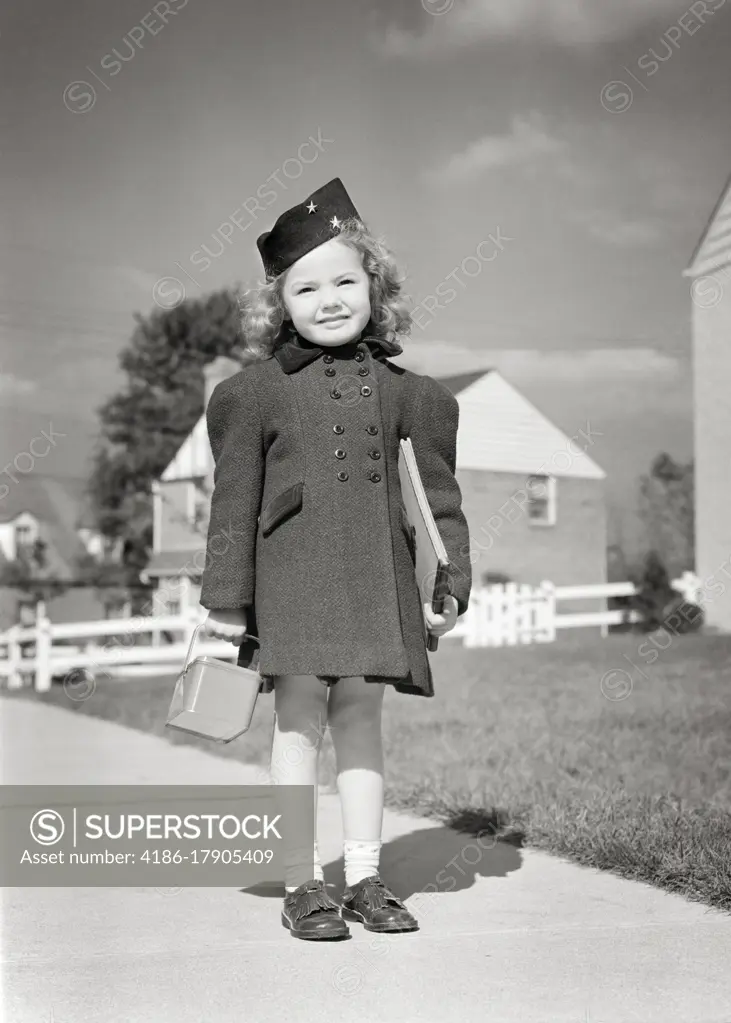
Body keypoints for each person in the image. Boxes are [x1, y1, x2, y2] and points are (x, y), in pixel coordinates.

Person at [200, 177, 472, 940]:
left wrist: (448, 579)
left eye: (344, 280)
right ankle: (300, 883)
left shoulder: (409, 394)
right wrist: (227, 595)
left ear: (374, 287)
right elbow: (232, 502)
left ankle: (364, 877)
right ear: (278, 305)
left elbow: (436, 501)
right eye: (305, 286)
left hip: (377, 583)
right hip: (293, 583)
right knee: (297, 724)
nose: (327, 299)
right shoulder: (253, 394)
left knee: (360, 720)